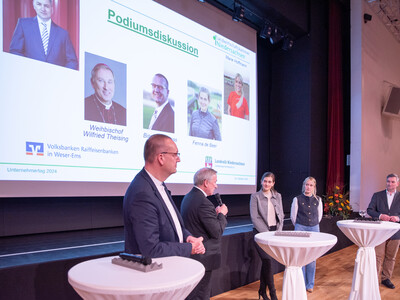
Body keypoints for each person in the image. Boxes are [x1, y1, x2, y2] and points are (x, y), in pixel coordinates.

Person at [123, 134, 205, 258]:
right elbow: (151, 249)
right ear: (161, 158)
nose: (178, 159)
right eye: (175, 154)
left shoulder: (157, 185)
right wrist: (189, 248)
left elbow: (172, 225)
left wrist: (187, 237)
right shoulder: (143, 193)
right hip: (154, 273)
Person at [181, 168, 228, 300]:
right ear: (206, 183)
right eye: (215, 182)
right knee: (201, 295)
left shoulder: (188, 197)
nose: (216, 185)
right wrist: (221, 214)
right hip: (203, 258)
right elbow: (217, 232)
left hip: (194, 256)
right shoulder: (203, 203)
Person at [9, 0, 78, 70]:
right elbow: (15, 51)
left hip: (55, 79)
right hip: (29, 76)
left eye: (46, 6)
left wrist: (62, 76)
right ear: (34, 5)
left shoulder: (63, 34)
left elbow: (72, 61)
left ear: (52, 8)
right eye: (39, 4)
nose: (43, 9)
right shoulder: (23, 24)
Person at [250, 172, 284, 300]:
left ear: (273, 183)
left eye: (270, 182)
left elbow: (281, 216)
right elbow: (254, 218)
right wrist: (266, 234)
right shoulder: (255, 196)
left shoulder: (278, 196)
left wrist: (278, 232)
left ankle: (262, 292)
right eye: (265, 181)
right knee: (267, 260)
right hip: (260, 234)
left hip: (274, 232)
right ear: (261, 181)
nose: (267, 184)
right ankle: (273, 294)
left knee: (266, 263)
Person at [367, 173, 400, 289]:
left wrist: (398, 218)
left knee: (391, 257)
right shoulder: (377, 195)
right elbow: (370, 210)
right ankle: (374, 280)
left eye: (392, 182)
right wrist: (380, 215)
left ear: (397, 183)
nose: (390, 184)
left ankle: (386, 278)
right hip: (380, 232)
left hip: (396, 233)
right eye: (388, 181)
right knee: (378, 256)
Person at [290, 176, 323, 293]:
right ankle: (301, 283)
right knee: (300, 256)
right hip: (300, 227)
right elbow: (293, 217)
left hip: (314, 227)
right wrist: (300, 226)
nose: (308, 187)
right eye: (306, 185)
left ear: (314, 187)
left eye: (311, 185)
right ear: (304, 185)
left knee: (312, 257)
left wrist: (313, 225)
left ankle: (309, 284)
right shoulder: (297, 199)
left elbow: (319, 216)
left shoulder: (318, 200)